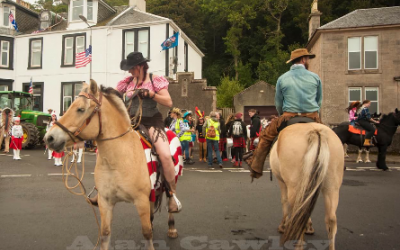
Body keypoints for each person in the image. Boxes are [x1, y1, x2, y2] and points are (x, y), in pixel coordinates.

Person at [111, 52, 181, 213]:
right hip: (130, 121)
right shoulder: (127, 82)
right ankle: (103, 189)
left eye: (131, 68)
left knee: (164, 154)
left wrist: (151, 94)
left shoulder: (155, 80)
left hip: (151, 120)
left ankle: (172, 195)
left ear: (141, 66)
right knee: (106, 147)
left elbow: (168, 102)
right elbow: (113, 93)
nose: (129, 72)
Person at [244, 48, 322, 179]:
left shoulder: (282, 78)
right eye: (308, 58)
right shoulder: (315, 77)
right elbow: (319, 101)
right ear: (303, 59)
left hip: (289, 116)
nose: (308, 60)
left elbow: (278, 103)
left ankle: (255, 167)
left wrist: (282, 115)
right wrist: (314, 113)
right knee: (332, 136)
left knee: (265, 137)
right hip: (312, 116)